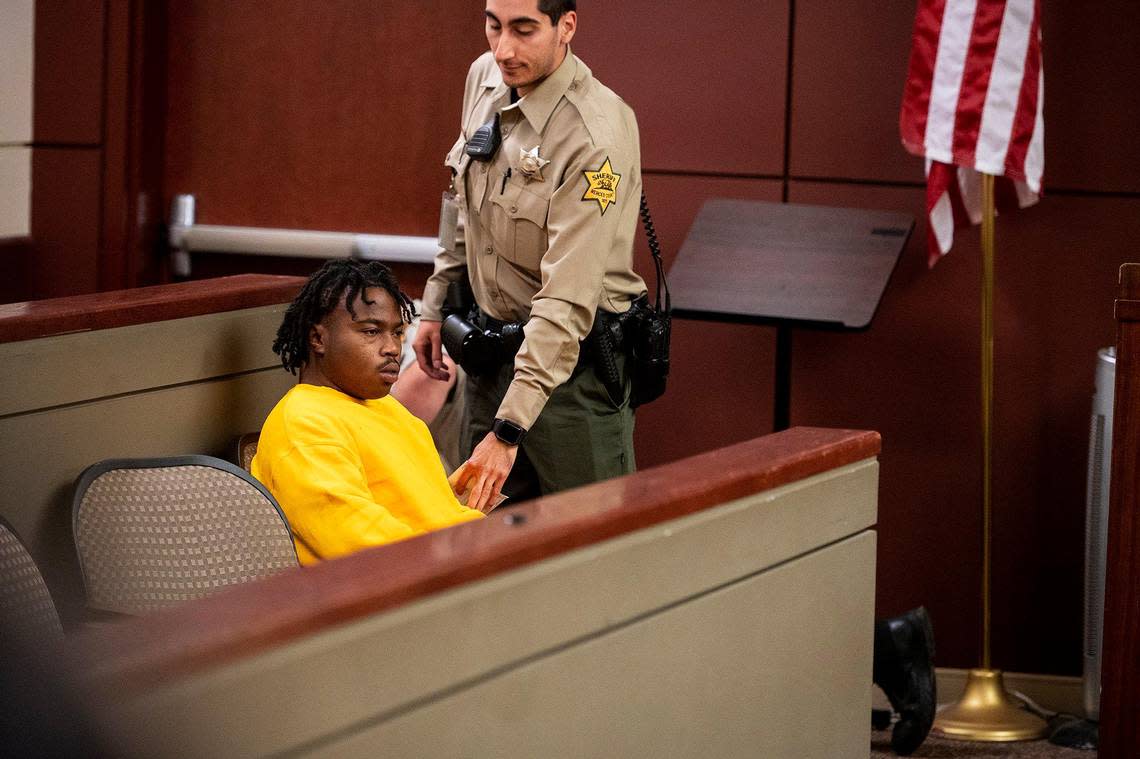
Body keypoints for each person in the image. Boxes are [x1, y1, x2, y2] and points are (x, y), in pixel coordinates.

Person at [414, 0, 647, 513]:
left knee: (588, 548)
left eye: (523, 30)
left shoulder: (594, 134)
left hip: (568, 383)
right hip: (489, 360)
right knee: (482, 545)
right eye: (493, 27)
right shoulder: (485, 77)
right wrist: (435, 305)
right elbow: (461, 204)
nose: (504, 49)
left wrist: (509, 427)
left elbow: (566, 300)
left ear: (566, 26)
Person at [251, 260, 482, 565]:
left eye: (398, 332)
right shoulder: (304, 424)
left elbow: (431, 511)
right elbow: (364, 544)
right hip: (401, 594)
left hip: (455, 572)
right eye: (372, 331)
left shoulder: (388, 409)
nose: (393, 348)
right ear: (318, 338)